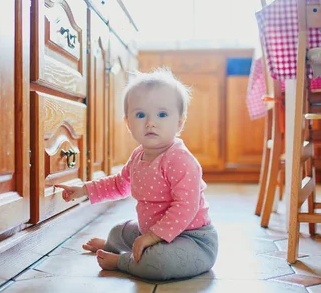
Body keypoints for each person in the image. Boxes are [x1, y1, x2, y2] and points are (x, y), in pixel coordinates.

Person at [56, 68, 218, 281]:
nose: (151, 122)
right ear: (128, 123)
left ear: (180, 122)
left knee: (157, 263)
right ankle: (112, 246)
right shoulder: (138, 155)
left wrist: (151, 237)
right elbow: (118, 184)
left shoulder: (180, 159)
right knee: (117, 232)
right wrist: (84, 189)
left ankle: (123, 262)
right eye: (141, 115)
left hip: (191, 240)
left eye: (162, 114)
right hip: (150, 233)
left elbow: (185, 207)